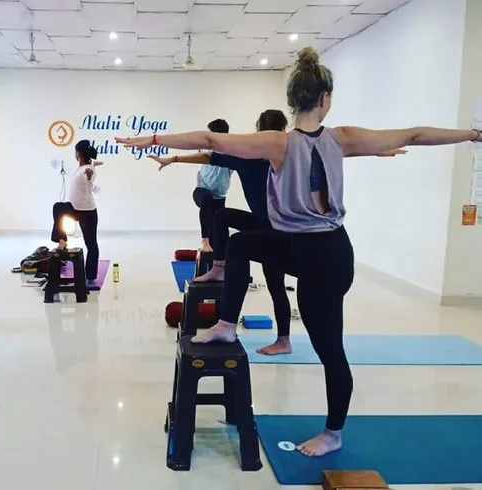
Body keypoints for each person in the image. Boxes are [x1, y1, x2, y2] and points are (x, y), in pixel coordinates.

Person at [116, 46, 481, 458]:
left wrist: (151, 139)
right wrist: (472, 135)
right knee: (240, 242)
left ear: (293, 102)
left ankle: (333, 433)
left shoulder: (280, 142)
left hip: (324, 259)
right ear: (325, 99)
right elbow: (415, 134)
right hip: (305, 246)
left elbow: (210, 139)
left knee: (330, 350)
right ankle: (226, 324)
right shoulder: (342, 137)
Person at [149, 110, 295, 355]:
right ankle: (219, 267)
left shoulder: (284, 160)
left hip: (279, 234)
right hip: (268, 225)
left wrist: (173, 158)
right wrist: (173, 159)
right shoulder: (250, 157)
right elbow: (209, 156)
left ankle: (281, 339)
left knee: (272, 281)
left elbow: (208, 154)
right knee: (222, 216)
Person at [51, 139, 100, 285]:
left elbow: (90, 175)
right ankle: (62, 239)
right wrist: (93, 165)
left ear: (78, 154)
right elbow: (89, 167)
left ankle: (90, 276)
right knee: (58, 207)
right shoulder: (81, 168)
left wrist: (90, 174)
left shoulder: (88, 170)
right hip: (74, 209)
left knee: (91, 244)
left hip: (88, 212)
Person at [193, 118, 233, 252]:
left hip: (219, 197)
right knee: (207, 198)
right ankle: (205, 241)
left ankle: (218, 259)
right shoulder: (205, 149)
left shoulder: (230, 153)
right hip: (201, 191)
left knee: (220, 236)